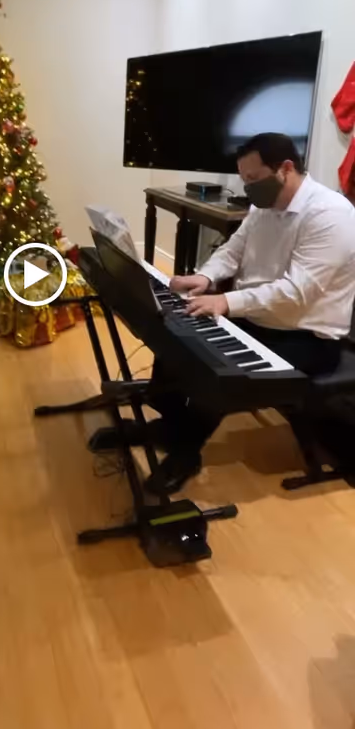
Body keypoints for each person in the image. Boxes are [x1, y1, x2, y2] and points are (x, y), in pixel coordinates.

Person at [146, 132, 355, 494]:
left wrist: (227, 302)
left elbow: (296, 292)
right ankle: (171, 424)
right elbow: (233, 250)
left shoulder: (330, 215)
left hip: (308, 336)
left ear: (285, 168)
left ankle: (185, 452)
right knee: (175, 332)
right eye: (244, 179)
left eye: (254, 179)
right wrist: (205, 277)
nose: (249, 188)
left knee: (216, 365)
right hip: (258, 317)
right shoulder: (264, 205)